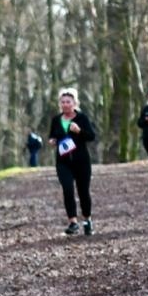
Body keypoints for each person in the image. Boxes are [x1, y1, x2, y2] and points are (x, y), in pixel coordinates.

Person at [46, 88, 97, 235]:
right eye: (63, 102)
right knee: (67, 189)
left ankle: (87, 220)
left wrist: (79, 131)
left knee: (83, 191)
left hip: (81, 160)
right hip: (63, 161)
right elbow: (52, 135)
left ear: (74, 103)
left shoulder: (82, 118)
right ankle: (72, 222)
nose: (65, 105)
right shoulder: (56, 120)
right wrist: (52, 140)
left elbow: (91, 136)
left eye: (68, 102)